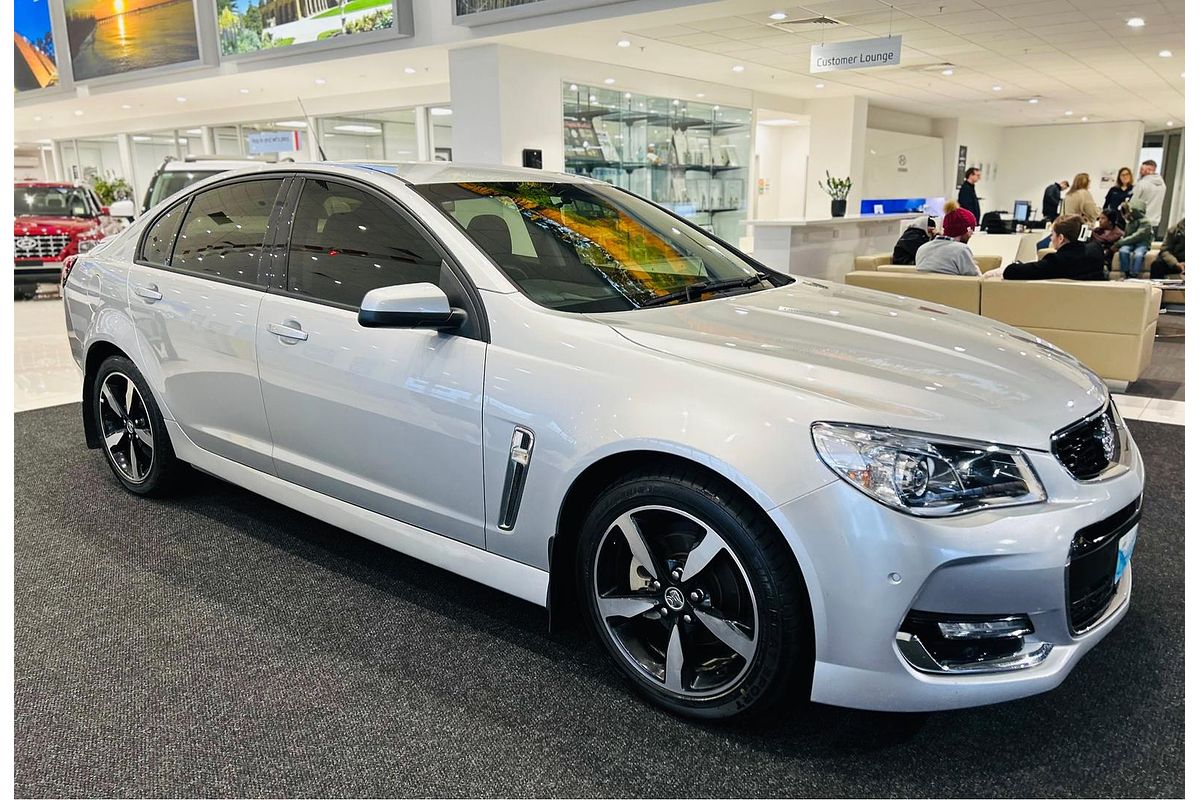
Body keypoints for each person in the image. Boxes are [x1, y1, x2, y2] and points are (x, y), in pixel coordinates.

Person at [984, 215, 1104, 281]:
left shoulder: (1057, 262)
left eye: (1052, 234)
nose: (1051, 238)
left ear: (1061, 238)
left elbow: (1012, 272)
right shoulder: (1096, 251)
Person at [915, 205, 980, 276]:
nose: (971, 235)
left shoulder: (922, 249)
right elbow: (974, 280)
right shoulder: (961, 250)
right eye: (971, 230)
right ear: (967, 231)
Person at [1115, 198, 1154, 278]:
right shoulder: (1130, 222)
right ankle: (1126, 273)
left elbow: (1137, 236)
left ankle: (1134, 274)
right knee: (1123, 251)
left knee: (1138, 255)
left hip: (1142, 244)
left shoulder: (1146, 223)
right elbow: (1126, 235)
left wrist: (1120, 242)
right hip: (1130, 244)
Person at [1132, 159, 1166, 234]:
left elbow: (1133, 203)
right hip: (1155, 221)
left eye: (1142, 169)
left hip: (1141, 222)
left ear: (1149, 170)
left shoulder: (1142, 184)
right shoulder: (1162, 185)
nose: (1140, 172)